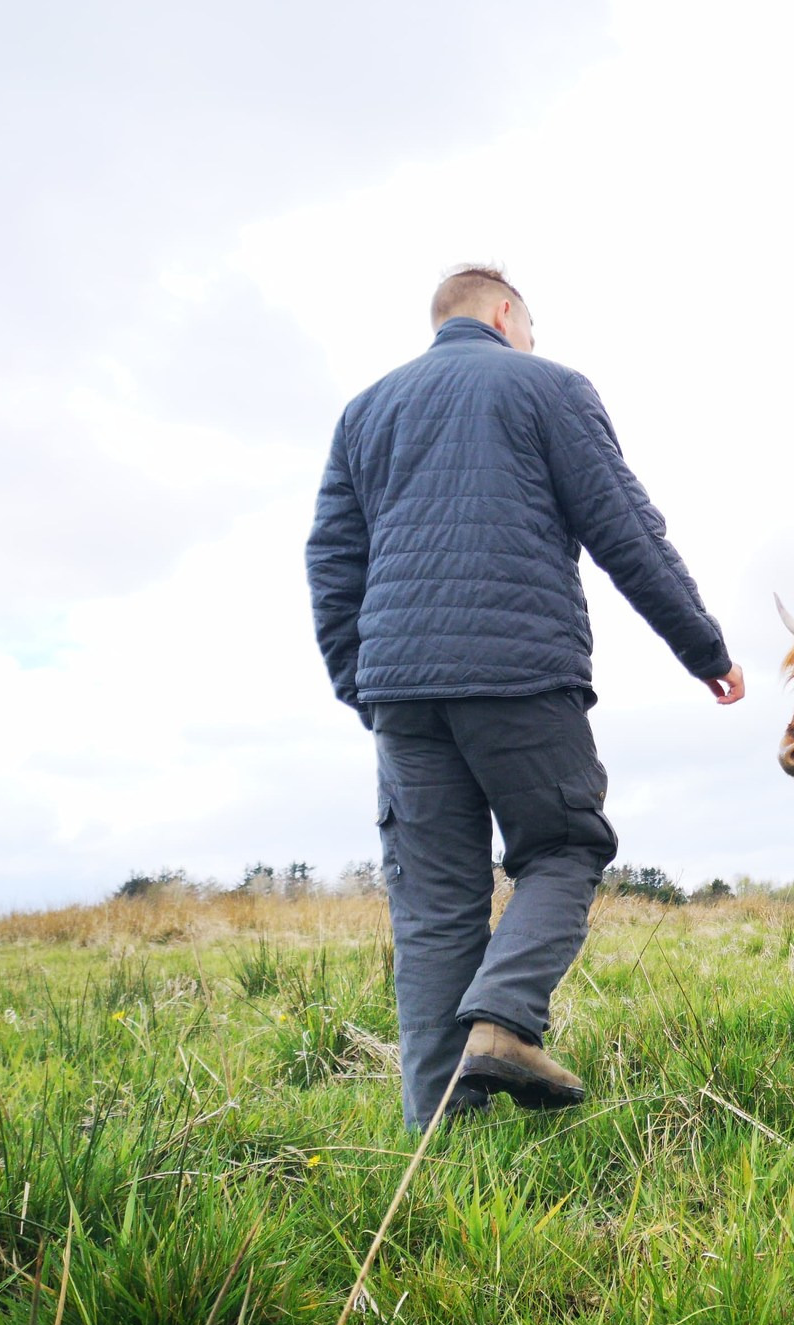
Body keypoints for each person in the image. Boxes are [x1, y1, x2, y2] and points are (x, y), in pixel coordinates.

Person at [307, 266, 743, 1130]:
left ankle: (436, 1145)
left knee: (432, 913)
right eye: (531, 326)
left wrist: (363, 683)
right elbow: (625, 527)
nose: (533, 340)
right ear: (506, 314)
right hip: (518, 674)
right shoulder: (548, 387)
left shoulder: (365, 411)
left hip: (401, 692)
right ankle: (506, 1021)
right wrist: (703, 646)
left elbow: (331, 559)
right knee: (566, 846)